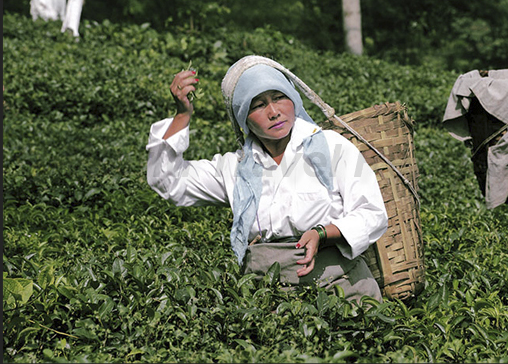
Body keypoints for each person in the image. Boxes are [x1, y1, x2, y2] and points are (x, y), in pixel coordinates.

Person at [146, 55, 388, 302]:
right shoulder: (234, 168)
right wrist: (182, 115)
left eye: (279, 97)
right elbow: (169, 183)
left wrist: (322, 233)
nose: (274, 112)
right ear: (243, 118)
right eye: (258, 105)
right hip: (270, 300)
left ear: (293, 99)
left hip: (344, 290)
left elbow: (372, 213)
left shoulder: (333, 147)